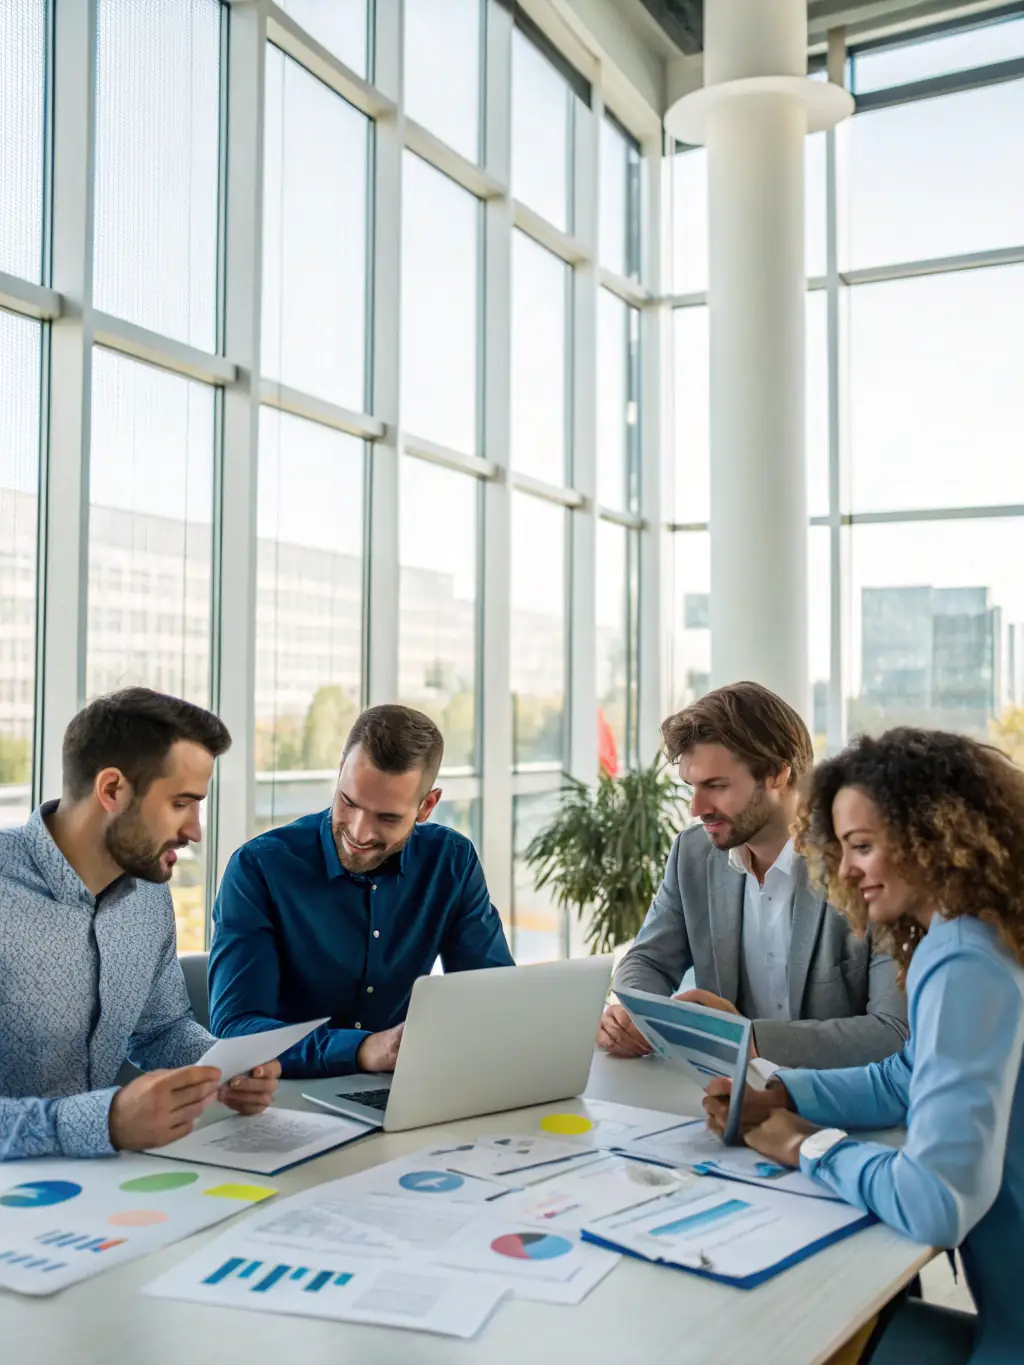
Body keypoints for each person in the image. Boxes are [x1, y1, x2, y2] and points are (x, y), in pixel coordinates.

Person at [704, 729, 1024, 1365]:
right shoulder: (972, 936)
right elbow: (909, 1075)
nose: (846, 870)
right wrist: (786, 1093)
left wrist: (806, 1146)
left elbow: (934, 1203)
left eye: (863, 847)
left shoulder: (965, 960)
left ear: (930, 838)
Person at [0, 689, 280, 1163]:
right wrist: (103, 1121)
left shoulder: (148, 890)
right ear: (112, 790)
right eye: (180, 804)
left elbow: (161, 1030)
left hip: (102, 1186)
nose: (195, 830)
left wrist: (223, 1067)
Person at [601, 682, 908, 1069]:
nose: (696, 808)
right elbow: (647, 961)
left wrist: (745, 1037)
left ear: (778, 774)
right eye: (692, 787)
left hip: (839, 1108)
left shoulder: (863, 863)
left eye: (716, 786)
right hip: (725, 1098)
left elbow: (893, 1032)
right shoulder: (693, 854)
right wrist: (637, 1015)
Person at [208, 704, 514, 1078]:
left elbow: (491, 996)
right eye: (348, 802)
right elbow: (236, 1029)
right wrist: (363, 1050)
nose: (359, 832)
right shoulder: (258, 868)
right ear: (340, 771)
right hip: (282, 1096)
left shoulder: (451, 861)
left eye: (387, 817)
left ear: (427, 806)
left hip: (402, 1090)